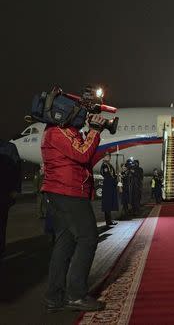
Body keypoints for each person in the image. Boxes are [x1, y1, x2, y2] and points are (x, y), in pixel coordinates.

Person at [41, 114, 106, 312]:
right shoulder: (57, 132)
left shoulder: (62, 132)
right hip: (68, 191)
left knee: (65, 242)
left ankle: (54, 296)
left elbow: (82, 157)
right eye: (78, 112)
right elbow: (83, 155)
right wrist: (95, 131)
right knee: (88, 238)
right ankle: (76, 295)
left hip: (62, 192)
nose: (82, 116)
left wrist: (89, 134)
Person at [0, 139, 21, 259]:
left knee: (2, 222)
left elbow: (17, 170)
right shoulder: (9, 148)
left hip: (4, 192)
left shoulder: (9, 148)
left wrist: (15, 189)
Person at [100, 153, 119, 226]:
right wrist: (114, 179)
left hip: (110, 186)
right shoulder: (104, 165)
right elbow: (106, 175)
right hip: (107, 186)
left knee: (109, 203)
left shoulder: (109, 165)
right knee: (107, 204)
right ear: (104, 157)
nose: (108, 157)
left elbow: (113, 174)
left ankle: (109, 220)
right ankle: (108, 221)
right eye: (107, 156)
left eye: (109, 156)